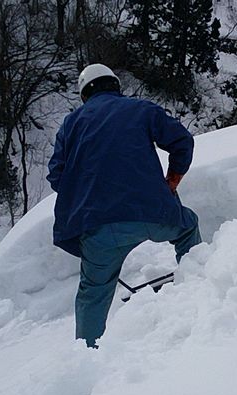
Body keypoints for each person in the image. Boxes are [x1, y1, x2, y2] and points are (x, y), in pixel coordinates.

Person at [47, 64, 202, 347]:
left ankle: (86, 355)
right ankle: (201, 295)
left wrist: (87, 195)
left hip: (98, 228)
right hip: (153, 213)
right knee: (187, 227)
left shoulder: (71, 124)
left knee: (93, 291)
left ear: (85, 94)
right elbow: (182, 141)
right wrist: (172, 179)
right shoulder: (141, 109)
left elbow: (56, 175)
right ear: (115, 85)